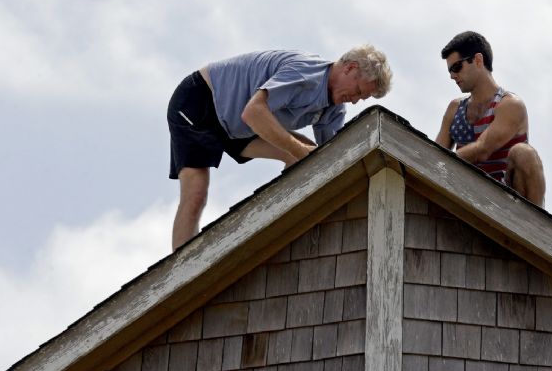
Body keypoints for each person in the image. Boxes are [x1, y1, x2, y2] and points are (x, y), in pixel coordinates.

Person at [167, 46, 392, 250]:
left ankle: (283, 230)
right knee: (196, 193)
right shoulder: (305, 73)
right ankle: (177, 282)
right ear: (349, 68)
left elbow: (330, 160)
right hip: (204, 100)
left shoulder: (334, 110)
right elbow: (253, 112)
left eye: (362, 99)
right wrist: (300, 152)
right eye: (359, 91)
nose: (355, 101)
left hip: (241, 125)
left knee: (309, 156)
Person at [436, 31, 546, 207]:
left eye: (456, 67)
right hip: (467, 198)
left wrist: (440, 162)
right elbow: (436, 156)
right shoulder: (454, 109)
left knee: (524, 153)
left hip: (507, 203)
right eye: (450, 71)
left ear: (478, 60)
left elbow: (482, 149)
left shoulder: (510, 105)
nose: (452, 76)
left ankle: (535, 228)